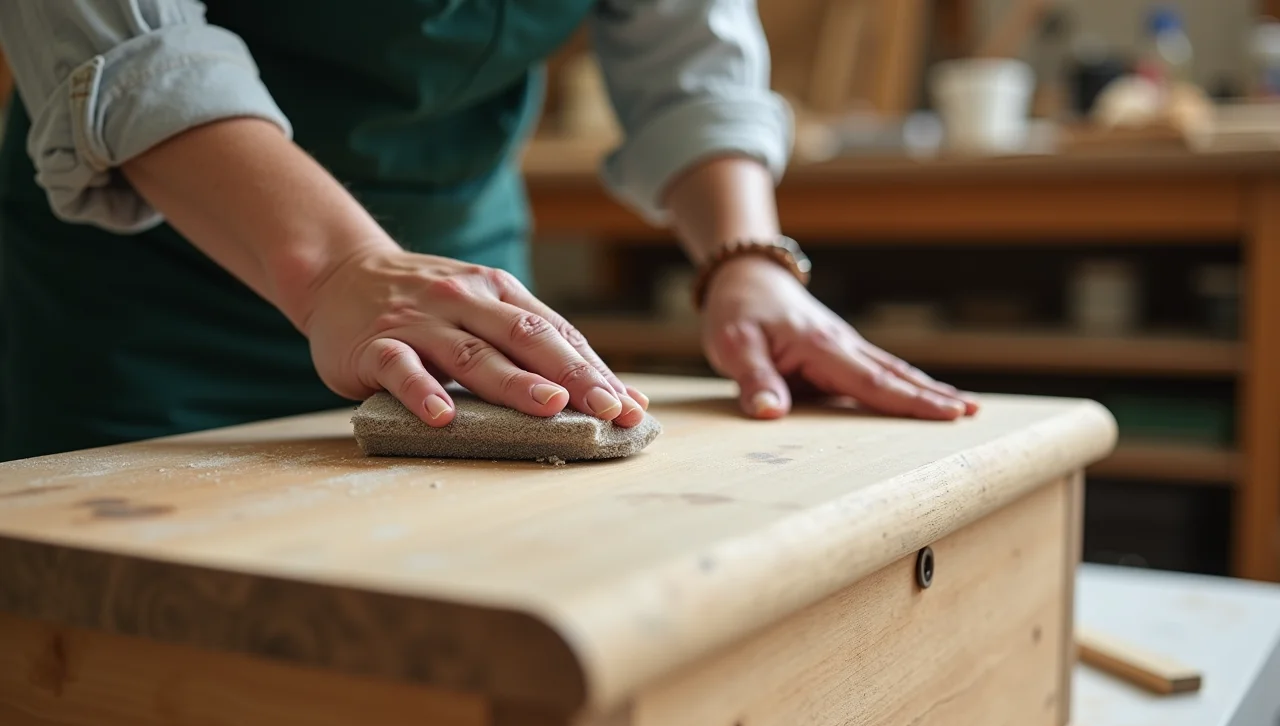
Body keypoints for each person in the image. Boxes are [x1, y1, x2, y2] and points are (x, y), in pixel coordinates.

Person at [0, 1, 977, 463]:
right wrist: (339, 264)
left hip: (465, 311)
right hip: (140, 312)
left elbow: (689, 54)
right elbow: (129, 51)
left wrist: (744, 258)